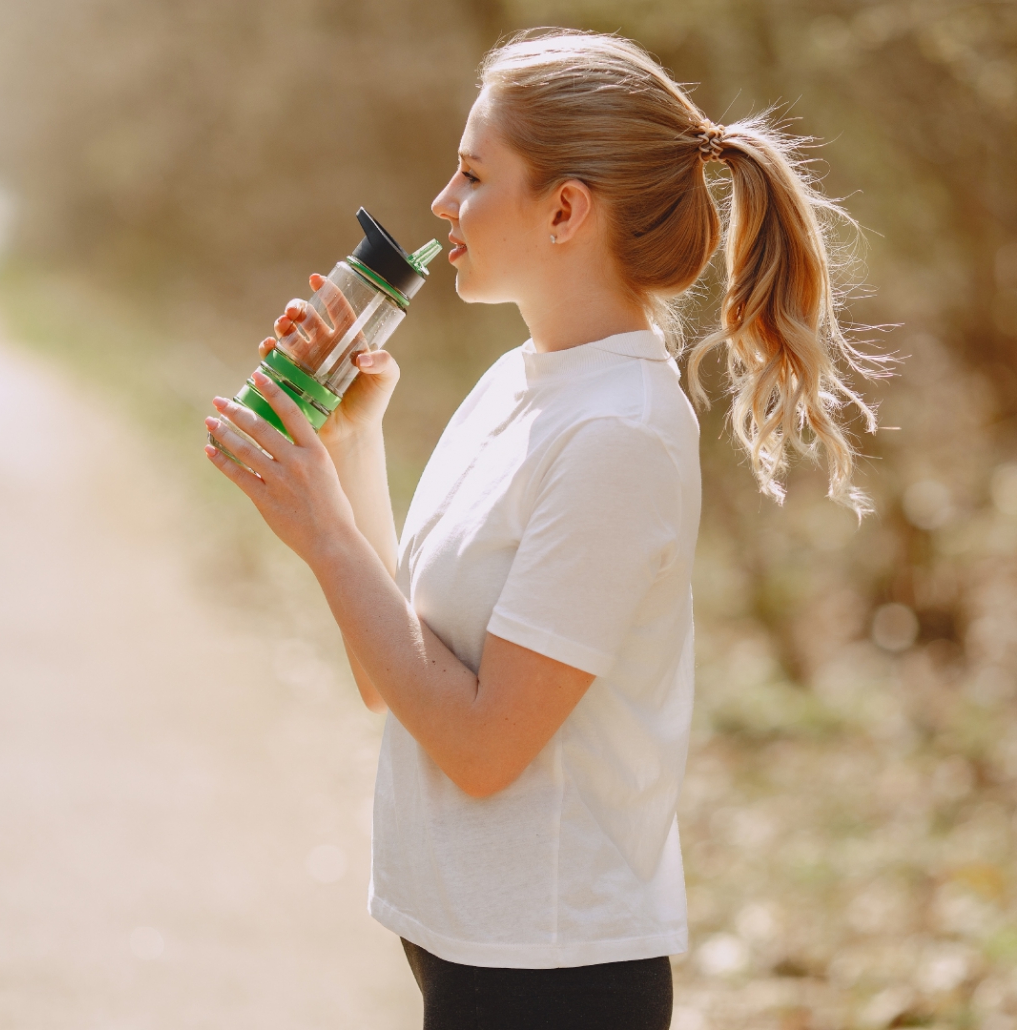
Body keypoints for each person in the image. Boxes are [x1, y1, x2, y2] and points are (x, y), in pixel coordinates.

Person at [203, 28, 877, 1030]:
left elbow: (481, 746)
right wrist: (352, 438)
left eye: (473, 174)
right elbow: (393, 677)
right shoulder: (518, 381)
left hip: (556, 979)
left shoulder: (622, 433)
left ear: (565, 208)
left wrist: (324, 534)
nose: (441, 203)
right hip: (468, 953)